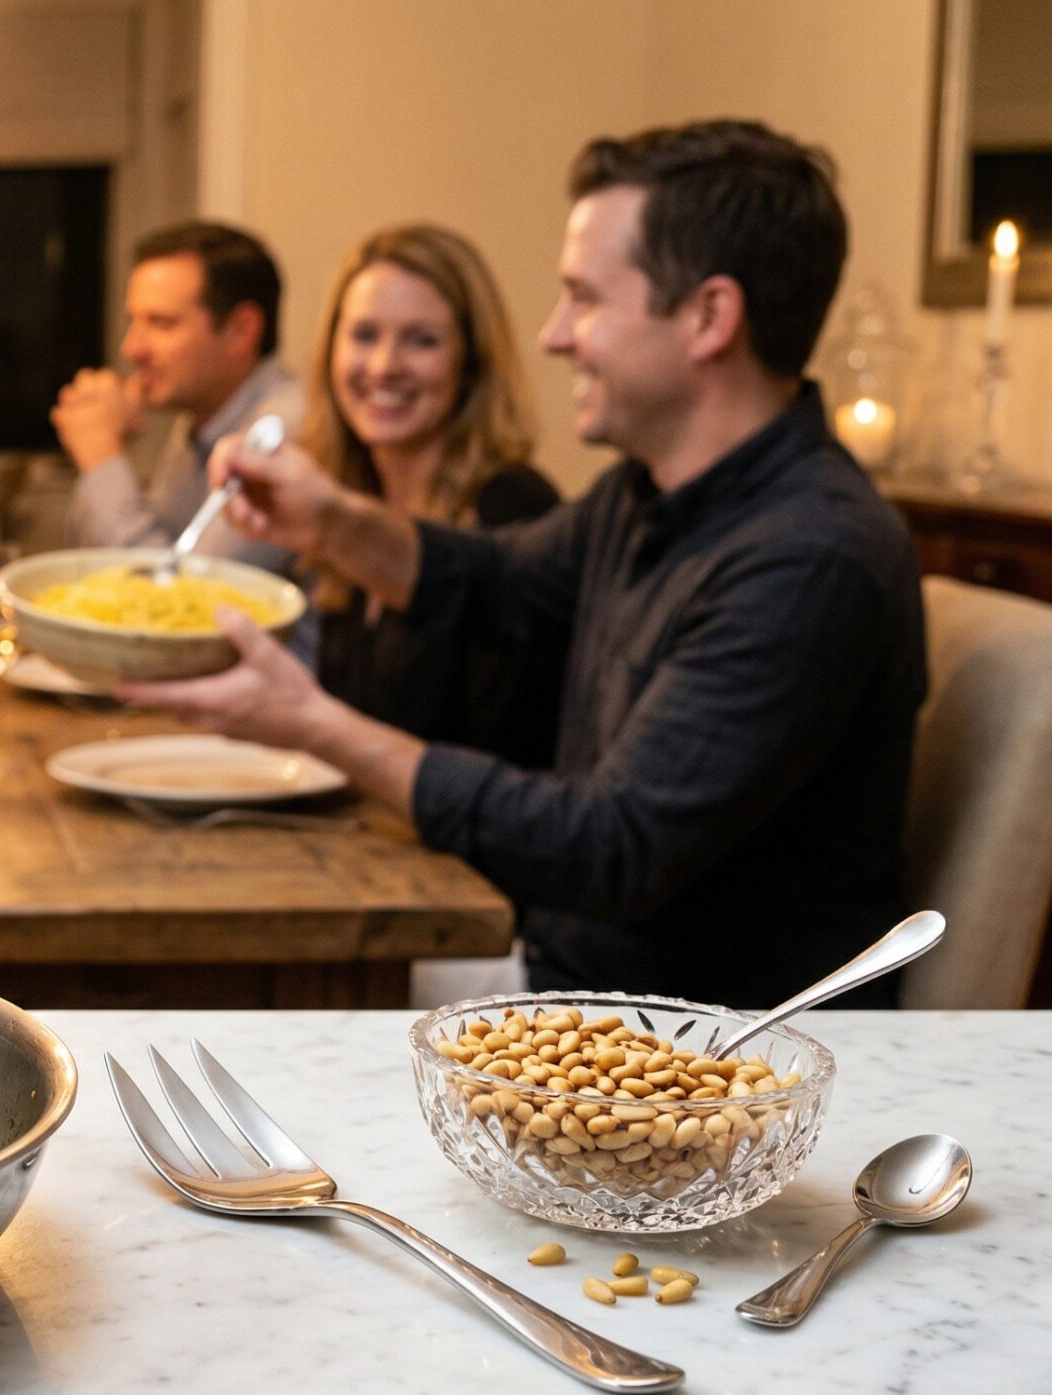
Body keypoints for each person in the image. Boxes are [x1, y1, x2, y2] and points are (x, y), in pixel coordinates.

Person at [123, 120, 925, 1009]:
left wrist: (310, 722)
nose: (553, 335)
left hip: (697, 1053)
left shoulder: (809, 557)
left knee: (205, 1001)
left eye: (584, 299)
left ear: (709, 317)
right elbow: (494, 581)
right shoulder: (643, 494)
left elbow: (610, 846)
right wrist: (329, 517)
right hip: (573, 989)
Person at [298, 224, 561, 763]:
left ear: (471, 364)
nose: (384, 366)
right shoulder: (347, 500)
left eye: (422, 340)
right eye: (365, 335)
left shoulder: (513, 509)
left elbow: (515, 760)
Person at [53, 221, 303, 559]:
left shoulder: (282, 431)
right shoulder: (198, 421)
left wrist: (100, 455)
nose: (132, 349)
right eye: (134, 322)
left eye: (161, 323)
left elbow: (187, 597)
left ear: (241, 331)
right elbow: (98, 573)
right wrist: (101, 459)